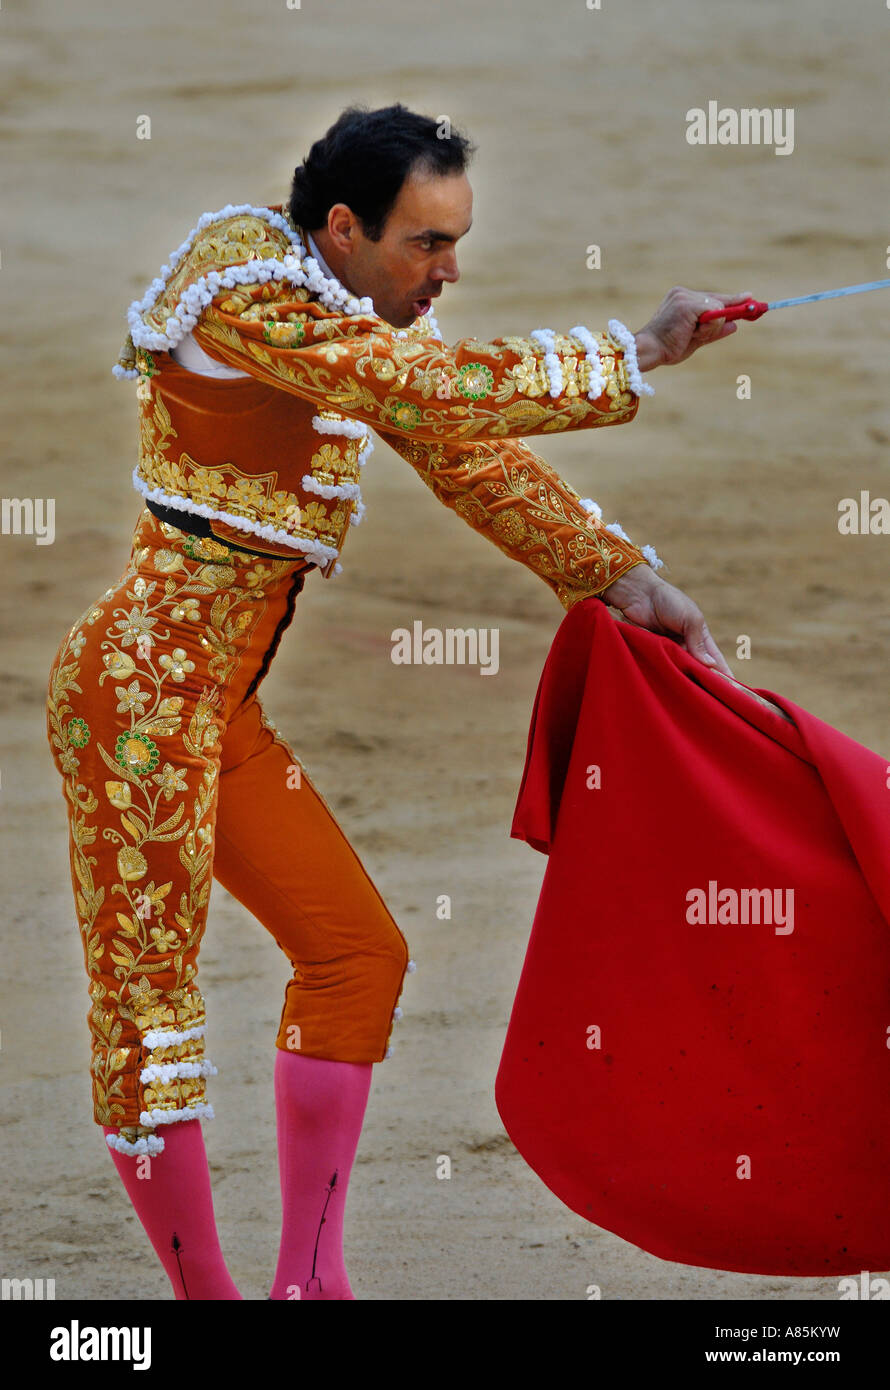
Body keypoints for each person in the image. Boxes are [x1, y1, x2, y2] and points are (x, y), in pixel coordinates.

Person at [44, 101, 746, 1300]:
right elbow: (421, 396)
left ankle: (310, 1288)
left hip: (217, 710)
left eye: (453, 241)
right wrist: (630, 351)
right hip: (137, 707)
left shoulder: (340, 308)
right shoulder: (244, 293)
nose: (447, 270)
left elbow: (455, 443)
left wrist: (624, 580)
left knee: (355, 956)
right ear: (342, 227)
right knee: (149, 1006)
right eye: (426, 242)